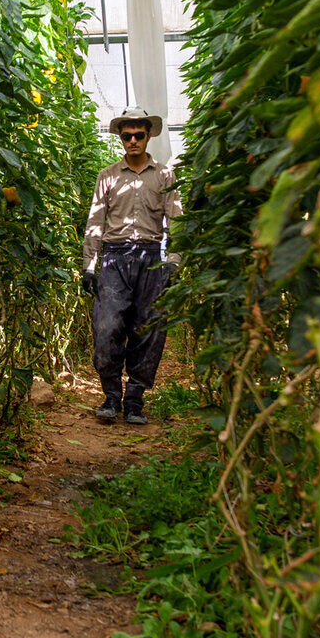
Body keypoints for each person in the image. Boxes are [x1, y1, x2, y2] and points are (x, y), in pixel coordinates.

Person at [81, 108, 182, 425]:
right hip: (114, 258)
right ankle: (111, 396)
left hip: (150, 258)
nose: (133, 140)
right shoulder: (108, 175)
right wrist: (89, 266)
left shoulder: (164, 176)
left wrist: (173, 262)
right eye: (127, 136)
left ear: (149, 135)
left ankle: (135, 399)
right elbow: (95, 222)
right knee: (107, 327)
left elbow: (176, 222)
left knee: (148, 329)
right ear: (121, 138)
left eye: (139, 134)